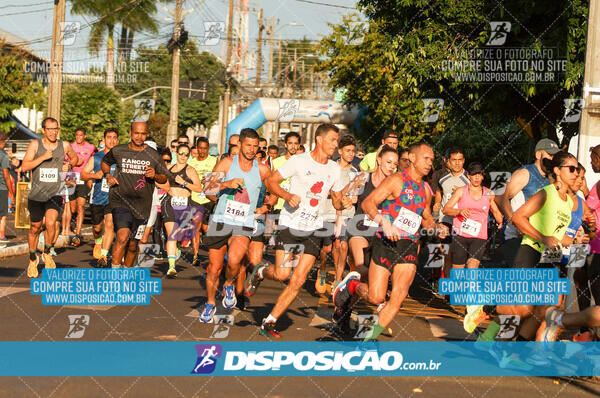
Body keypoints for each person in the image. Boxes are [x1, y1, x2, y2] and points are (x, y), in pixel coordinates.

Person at [245, 123, 352, 338]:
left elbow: (338, 201)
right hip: (290, 224)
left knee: (299, 279)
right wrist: (286, 196)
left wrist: (344, 204)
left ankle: (269, 321)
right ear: (319, 140)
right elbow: (271, 181)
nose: (335, 144)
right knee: (283, 273)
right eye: (332, 139)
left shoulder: (335, 170)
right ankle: (262, 271)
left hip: (314, 228)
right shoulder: (298, 161)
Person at [332, 142, 441, 341]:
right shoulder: (396, 180)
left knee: (397, 298)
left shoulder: (425, 189)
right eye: (426, 159)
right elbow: (368, 203)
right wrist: (385, 222)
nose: (429, 163)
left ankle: (367, 339)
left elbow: (425, 218)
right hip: (385, 242)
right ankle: (352, 286)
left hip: (408, 244)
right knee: (376, 297)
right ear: (413, 159)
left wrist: (437, 227)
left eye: (432, 160)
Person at [497, 151, 578, 342]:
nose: (575, 173)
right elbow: (518, 217)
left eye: (576, 169)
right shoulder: (547, 193)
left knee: (543, 309)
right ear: (558, 171)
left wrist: (573, 239)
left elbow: (557, 235)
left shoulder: (568, 203)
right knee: (521, 308)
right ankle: (492, 319)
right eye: (571, 169)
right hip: (531, 252)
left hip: (550, 258)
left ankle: (519, 348)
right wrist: (543, 237)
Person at [199, 128, 272, 323]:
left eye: (255, 146)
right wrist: (226, 184)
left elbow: (274, 191)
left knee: (234, 260)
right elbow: (206, 189)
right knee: (214, 268)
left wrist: (267, 206)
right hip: (221, 220)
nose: (252, 149)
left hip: (244, 222)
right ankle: (210, 303)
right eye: (248, 145)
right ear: (240, 144)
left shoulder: (263, 169)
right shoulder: (226, 163)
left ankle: (229, 284)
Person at [442, 162, 503, 333]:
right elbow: (447, 209)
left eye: (479, 174)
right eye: (473, 174)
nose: (476, 177)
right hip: (461, 234)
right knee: (459, 271)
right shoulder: (461, 191)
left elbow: (495, 209)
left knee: (473, 267)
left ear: (483, 177)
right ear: (469, 176)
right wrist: (459, 212)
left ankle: (473, 306)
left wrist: (500, 220)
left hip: (479, 236)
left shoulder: (488, 194)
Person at [101, 121, 168, 269]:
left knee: (133, 245)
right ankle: (115, 277)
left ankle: (126, 273)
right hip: (120, 200)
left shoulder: (153, 155)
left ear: (146, 134)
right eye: (136, 133)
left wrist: (155, 175)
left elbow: (164, 178)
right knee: (122, 236)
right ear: (130, 133)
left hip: (142, 206)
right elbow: (105, 162)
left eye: (143, 133)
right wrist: (107, 175)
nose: (139, 136)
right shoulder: (119, 150)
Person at [21, 117, 78, 277]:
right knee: (35, 228)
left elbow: (75, 158)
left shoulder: (64, 145)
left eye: (56, 129)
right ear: (43, 130)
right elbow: (24, 166)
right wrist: (42, 158)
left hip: (55, 193)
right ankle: (33, 259)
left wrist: (70, 165)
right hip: (37, 195)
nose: (53, 132)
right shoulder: (35, 145)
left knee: (51, 223)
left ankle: (46, 252)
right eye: (50, 129)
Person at [496, 138, 559, 266]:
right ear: (538, 154)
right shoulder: (525, 173)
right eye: (549, 155)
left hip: (538, 239)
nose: (552, 159)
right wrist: (515, 222)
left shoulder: (550, 179)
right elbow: (500, 196)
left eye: (554, 156)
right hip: (517, 240)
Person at [316, 135, 359, 294]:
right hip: (328, 213)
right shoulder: (329, 167)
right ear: (340, 151)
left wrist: (352, 199)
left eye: (353, 151)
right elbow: (322, 189)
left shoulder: (355, 172)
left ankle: (338, 280)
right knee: (326, 249)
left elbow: (355, 196)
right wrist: (337, 195)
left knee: (342, 245)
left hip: (347, 215)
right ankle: (322, 269)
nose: (351, 154)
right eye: (348, 151)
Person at [348, 145, 398, 277]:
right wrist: (346, 201)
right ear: (379, 160)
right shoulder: (363, 177)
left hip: (380, 235)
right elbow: (347, 199)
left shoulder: (396, 185)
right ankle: (353, 267)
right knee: (363, 269)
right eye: (388, 162)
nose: (391, 166)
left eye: (395, 164)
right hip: (359, 229)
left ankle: (350, 286)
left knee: (374, 278)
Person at [161, 144, 203, 276]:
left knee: (178, 234)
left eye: (186, 154)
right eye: (181, 153)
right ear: (176, 154)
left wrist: (184, 183)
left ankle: (177, 247)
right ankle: (171, 267)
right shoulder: (168, 168)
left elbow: (199, 188)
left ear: (189, 156)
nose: (183, 156)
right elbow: (160, 181)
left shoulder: (190, 170)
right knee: (171, 234)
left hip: (185, 204)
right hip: (169, 203)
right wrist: (166, 187)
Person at [81, 128, 119, 267]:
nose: (112, 140)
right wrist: (93, 175)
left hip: (114, 198)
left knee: (110, 225)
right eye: (109, 137)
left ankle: (103, 255)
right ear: (104, 140)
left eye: (115, 137)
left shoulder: (120, 158)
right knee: (97, 228)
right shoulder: (96, 157)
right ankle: (98, 242)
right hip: (97, 198)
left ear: (118, 140)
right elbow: (82, 174)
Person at [187, 137, 218, 267]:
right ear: (196, 148)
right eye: (200, 148)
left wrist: (211, 179)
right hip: (195, 198)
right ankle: (195, 255)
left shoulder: (214, 160)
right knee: (196, 226)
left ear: (208, 149)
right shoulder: (191, 163)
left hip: (210, 198)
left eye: (205, 148)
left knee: (207, 228)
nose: (202, 151)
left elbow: (220, 177)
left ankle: (214, 256)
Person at [69, 128, 97, 239]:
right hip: (70, 176)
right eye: (77, 135)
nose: (78, 137)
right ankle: (72, 221)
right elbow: (66, 161)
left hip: (83, 176)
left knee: (81, 206)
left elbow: (93, 160)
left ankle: (78, 232)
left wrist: (90, 175)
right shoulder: (70, 147)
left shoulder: (90, 147)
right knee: (72, 208)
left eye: (81, 135)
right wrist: (75, 162)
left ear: (84, 136)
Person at [271, 132, 301, 213]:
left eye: (296, 143)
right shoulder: (276, 162)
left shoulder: (303, 163)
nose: (293, 146)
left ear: (298, 146)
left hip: (296, 205)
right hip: (279, 205)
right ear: (285, 145)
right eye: (290, 143)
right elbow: (270, 184)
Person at [0, 132, 14, 242]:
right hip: (2, 188)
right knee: (3, 214)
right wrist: (11, 192)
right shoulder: (4, 156)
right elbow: (6, 176)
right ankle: (1, 235)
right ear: (4, 141)